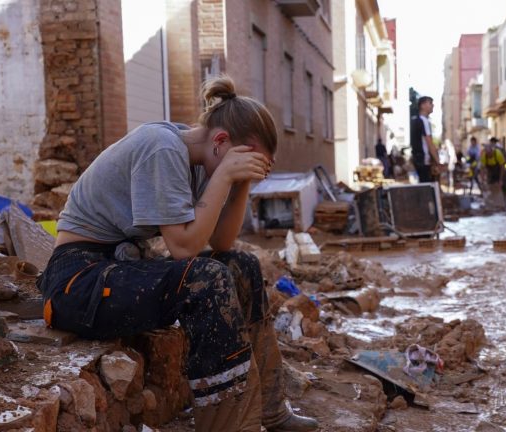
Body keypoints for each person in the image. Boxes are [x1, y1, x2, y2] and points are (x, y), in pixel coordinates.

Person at [37, 76, 319, 432]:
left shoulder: (201, 159)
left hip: (119, 267)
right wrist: (223, 178)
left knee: (241, 265)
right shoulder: (162, 148)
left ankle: (271, 411)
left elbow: (221, 243)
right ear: (220, 141)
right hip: (77, 281)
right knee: (206, 278)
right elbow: (184, 249)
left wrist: (239, 181)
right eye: (245, 161)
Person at [410, 96, 439, 183]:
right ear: (422, 105)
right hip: (423, 160)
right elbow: (429, 142)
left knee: (423, 186)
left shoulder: (415, 120)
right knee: (427, 187)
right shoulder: (424, 121)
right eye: (430, 103)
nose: (432, 105)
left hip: (417, 159)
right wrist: (437, 161)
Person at [480, 137, 506, 211]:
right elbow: (482, 169)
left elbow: (502, 167)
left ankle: (503, 204)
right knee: (491, 186)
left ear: (492, 151)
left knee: (502, 186)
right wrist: (482, 180)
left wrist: (500, 180)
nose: (489, 155)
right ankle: (492, 204)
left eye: (490, 154)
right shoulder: (484, 156)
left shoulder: (498, 154)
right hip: (491, 172)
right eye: (488, 154)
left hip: (499, 170)